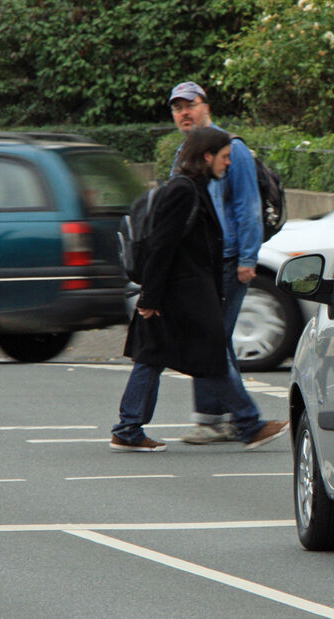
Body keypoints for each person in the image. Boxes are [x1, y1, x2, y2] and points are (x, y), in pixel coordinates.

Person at [111, 127, 282, 452]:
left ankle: (128, 429)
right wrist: (151, 296)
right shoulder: (183, 190)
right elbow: (162, 246)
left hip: (181, 291)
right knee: (208, 353)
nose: (229, 163)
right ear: (207, 156)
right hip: (181, 293)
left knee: (154, 356)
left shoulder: (193, 188)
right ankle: (249, 424)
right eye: (224, 157)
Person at [166, 81, 289, 446]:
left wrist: (248, 258)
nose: (184, 113)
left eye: (190, 105)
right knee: (211, 337)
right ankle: (214, 418)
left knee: (210, 338)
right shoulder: (184, 151)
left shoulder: (231, 149)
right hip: (202, 260)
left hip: (229, 260)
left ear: (206, 106)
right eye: (177, 108)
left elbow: (247, 207)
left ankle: (234, 420)